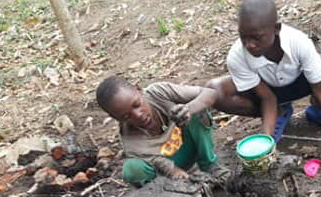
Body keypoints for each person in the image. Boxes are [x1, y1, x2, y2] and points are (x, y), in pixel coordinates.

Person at [207, 0, 321, 154]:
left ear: (276, 29)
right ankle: (280, 113)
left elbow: (320, 88)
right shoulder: (237, 56)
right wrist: (266, 143)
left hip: (302, 84)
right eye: (243, 37)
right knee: (215, 91)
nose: (249, 44)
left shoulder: (298, 42)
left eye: (256, 38)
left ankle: (318, 110)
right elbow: (268, 98)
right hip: (269, 92)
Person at [96, 76, 228, 185]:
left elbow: (210, 93)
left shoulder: (158, 92)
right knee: (132, 169)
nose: (138, 115)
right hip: (167, 167)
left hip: (191, 146)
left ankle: (210, 165)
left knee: (198, 108)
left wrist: (189, 109)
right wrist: (178, 176)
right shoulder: (131, 141)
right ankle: (163, 192)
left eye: (137, 104)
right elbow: (161, 164)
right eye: (126, 116)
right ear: (115, 117)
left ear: (139, 90)